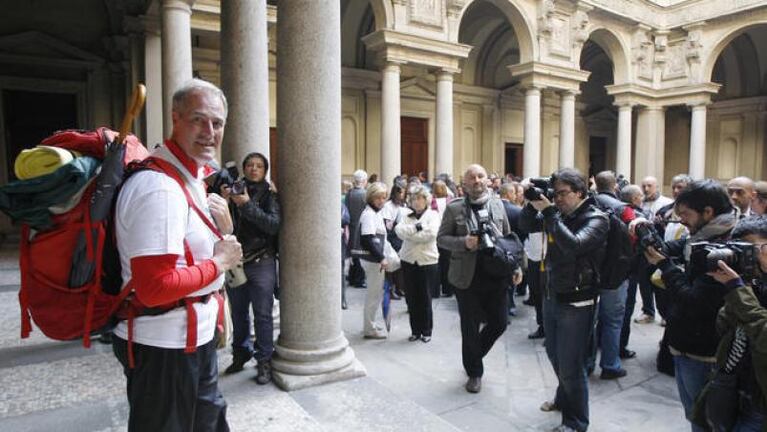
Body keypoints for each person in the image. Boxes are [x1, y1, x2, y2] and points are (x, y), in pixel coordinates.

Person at [112, 79, 241, 431]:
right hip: (163, 346)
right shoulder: (160, 189)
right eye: (198, 119)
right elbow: (155, 286)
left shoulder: (190, 179)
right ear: (176, 118)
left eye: (217, 123)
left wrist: (224, 230)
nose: (209, 131)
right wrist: (219, 263)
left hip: (192, 339)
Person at [642, 179, 737, 432]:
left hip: (704, 350)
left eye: (686, 215)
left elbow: (695, 300)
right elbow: (682, 247)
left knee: (702, 418)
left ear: (708, 212)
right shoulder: (703, 235)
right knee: (693, 413)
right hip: (686, 342)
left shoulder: (725, 248)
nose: (682, 221)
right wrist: (653, 242)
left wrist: (664, 266)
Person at [519, 167, 609, 432]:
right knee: (553, 353)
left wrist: (548, 211)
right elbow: (525, 225)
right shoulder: (557, 213)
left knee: (571, 364)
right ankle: (564, 396)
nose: (556, 199)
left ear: (580, 192)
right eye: (554, 194)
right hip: (552, 294)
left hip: (578, 301)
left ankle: (576, 422)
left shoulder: (597, 218)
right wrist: (531, 200)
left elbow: (575, 246)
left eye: (562, 194)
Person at [437, 164, 519, 394]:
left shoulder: (497, 203)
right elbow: (442, 239)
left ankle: (473, 355)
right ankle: (474, 372)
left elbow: (508, 236)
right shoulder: (454, 209)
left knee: (499, 323)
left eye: (481, 176)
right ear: (464, 183)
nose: (477, 180)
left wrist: (516, 266)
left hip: (496, 273)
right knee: (470, 327)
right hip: (467, 277)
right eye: (472, 177)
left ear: (488, 180)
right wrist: (464, 242)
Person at [703, 215, 767, 431]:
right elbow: (723, 326)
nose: (748, 256)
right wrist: (739, 287)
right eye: (742, 250)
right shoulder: (754, 281)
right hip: (735, 383)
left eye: (754, 249)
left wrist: (738, 291)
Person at [223, 152, 281, 384]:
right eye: (249, 165)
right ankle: (240, 353)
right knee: (238, 312)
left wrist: (246, 205)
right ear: (244, 168)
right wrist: (225, 202)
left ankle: (264, 360)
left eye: (259, 166)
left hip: (261, 261)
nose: (254, 169)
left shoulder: (270, 194)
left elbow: (273, 225)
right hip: (235, 261)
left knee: (263, 314)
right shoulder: (233, 190)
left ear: (264, 170)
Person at [589, 171, 637, 380]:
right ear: (615, 186)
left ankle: (587, 363)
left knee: (587, 322)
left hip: (588, 272)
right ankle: (610, 364)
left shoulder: (586, 204)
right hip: (615, 275)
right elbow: (633, 242)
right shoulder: (624, 210)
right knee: (612, 321)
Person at [396, 184, 440, 342]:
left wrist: (410, 234)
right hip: (408, 260)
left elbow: (430, 235)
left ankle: (426, 331)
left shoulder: (433, 215)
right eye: (412, 198)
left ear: (426, 199)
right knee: (412, 298)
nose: (415, 201)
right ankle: (415, 331)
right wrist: (418, 227)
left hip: (427, 261)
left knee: (425, 297)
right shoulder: (406, 216)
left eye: (418, 198)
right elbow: (399, 232)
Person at [634, 176, 674, 325]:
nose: (646, 189)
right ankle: (648, 312)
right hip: (642, 250)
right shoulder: (640, 203)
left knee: (660, 282)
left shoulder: (667, 203)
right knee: (644, 282)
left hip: (661, 248)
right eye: (643, 186)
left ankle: (664, 313)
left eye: (649, 186)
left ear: (657, 186)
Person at [354, 182, 391, 339]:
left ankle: (370, 324)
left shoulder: (374, 212)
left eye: (384, 197)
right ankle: (369, 328)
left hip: (373, 259)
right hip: (373, 260)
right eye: (378, 197)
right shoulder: (369, 214)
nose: (381, 200)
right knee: (373, 295)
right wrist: (381, 258)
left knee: (374, 294)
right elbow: (367, 239)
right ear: (371, 197)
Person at [619, 184, 647, 359]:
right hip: (630, 269)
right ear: (635, 198)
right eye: (640, 196)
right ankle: (621, 346)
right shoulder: (636, 216)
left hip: (615, 268)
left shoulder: (614, 210)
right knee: (625, 310)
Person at [500, 182, 524, 316]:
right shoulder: (517, 211)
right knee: (512, 279)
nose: (515, 196)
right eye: (514, 193)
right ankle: (509, 306)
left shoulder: (493, 208)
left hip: (497, 249)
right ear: (508, 194)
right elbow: (523, 232)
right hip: (513, 250)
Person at [347, 170, 369, 288]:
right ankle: (358, 279)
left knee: (353, 252)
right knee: (360, 252)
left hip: (351, 226)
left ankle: (352, 276)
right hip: (361, 227)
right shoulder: (365, 195)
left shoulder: (349, 193)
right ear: (364, 181)